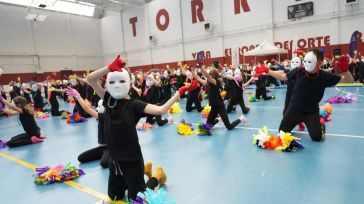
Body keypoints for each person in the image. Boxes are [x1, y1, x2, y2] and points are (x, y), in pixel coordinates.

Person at [86, 55, 198, 201]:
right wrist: (108, 68)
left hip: (132, 161)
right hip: (114, 161)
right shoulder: (109, 100)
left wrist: (180, 92)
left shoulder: (134, 104)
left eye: (121, 81)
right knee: (113, 196)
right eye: (112, 81)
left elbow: (161, 110)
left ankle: (157, 176)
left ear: (129, 82)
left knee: (137, 199)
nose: (117, 85)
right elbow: (90, 79)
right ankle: (136, 178)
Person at [261, 49, 342, 141]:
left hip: (311, 112)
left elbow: (345, 80)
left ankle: (321, 125)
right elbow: (283, 77)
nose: (306, 64)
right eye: (305, 61)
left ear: (319, 62)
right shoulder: (298, 71)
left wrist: (345, 71)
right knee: (282, 133)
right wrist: (268, 70)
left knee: (317, 137)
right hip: (294, 109)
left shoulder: (324, 76)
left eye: (309, 61)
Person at [65, 88, 110, 168]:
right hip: (101, 148)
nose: (97, 108)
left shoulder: (105, 117)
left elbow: (87, 109)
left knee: (104, 163)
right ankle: (106, 155)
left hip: (110, 148)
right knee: (81, 158)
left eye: (99, 106)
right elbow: (88, 109)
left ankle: (114, 156)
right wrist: (77, 96)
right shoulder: (102, 116)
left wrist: (78, 97)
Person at [194, 65, 247, 130]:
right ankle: (219, 119)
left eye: (210, 74)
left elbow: (207, 75)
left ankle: (241, 118)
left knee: (229, 127)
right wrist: (191, 71)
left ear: (212, 75)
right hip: (213, 107)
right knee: (207, 126)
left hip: (220, 106)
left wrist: (200, 67)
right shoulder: (207, 83)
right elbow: (198, 78)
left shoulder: (215, 82)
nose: (208, 76)